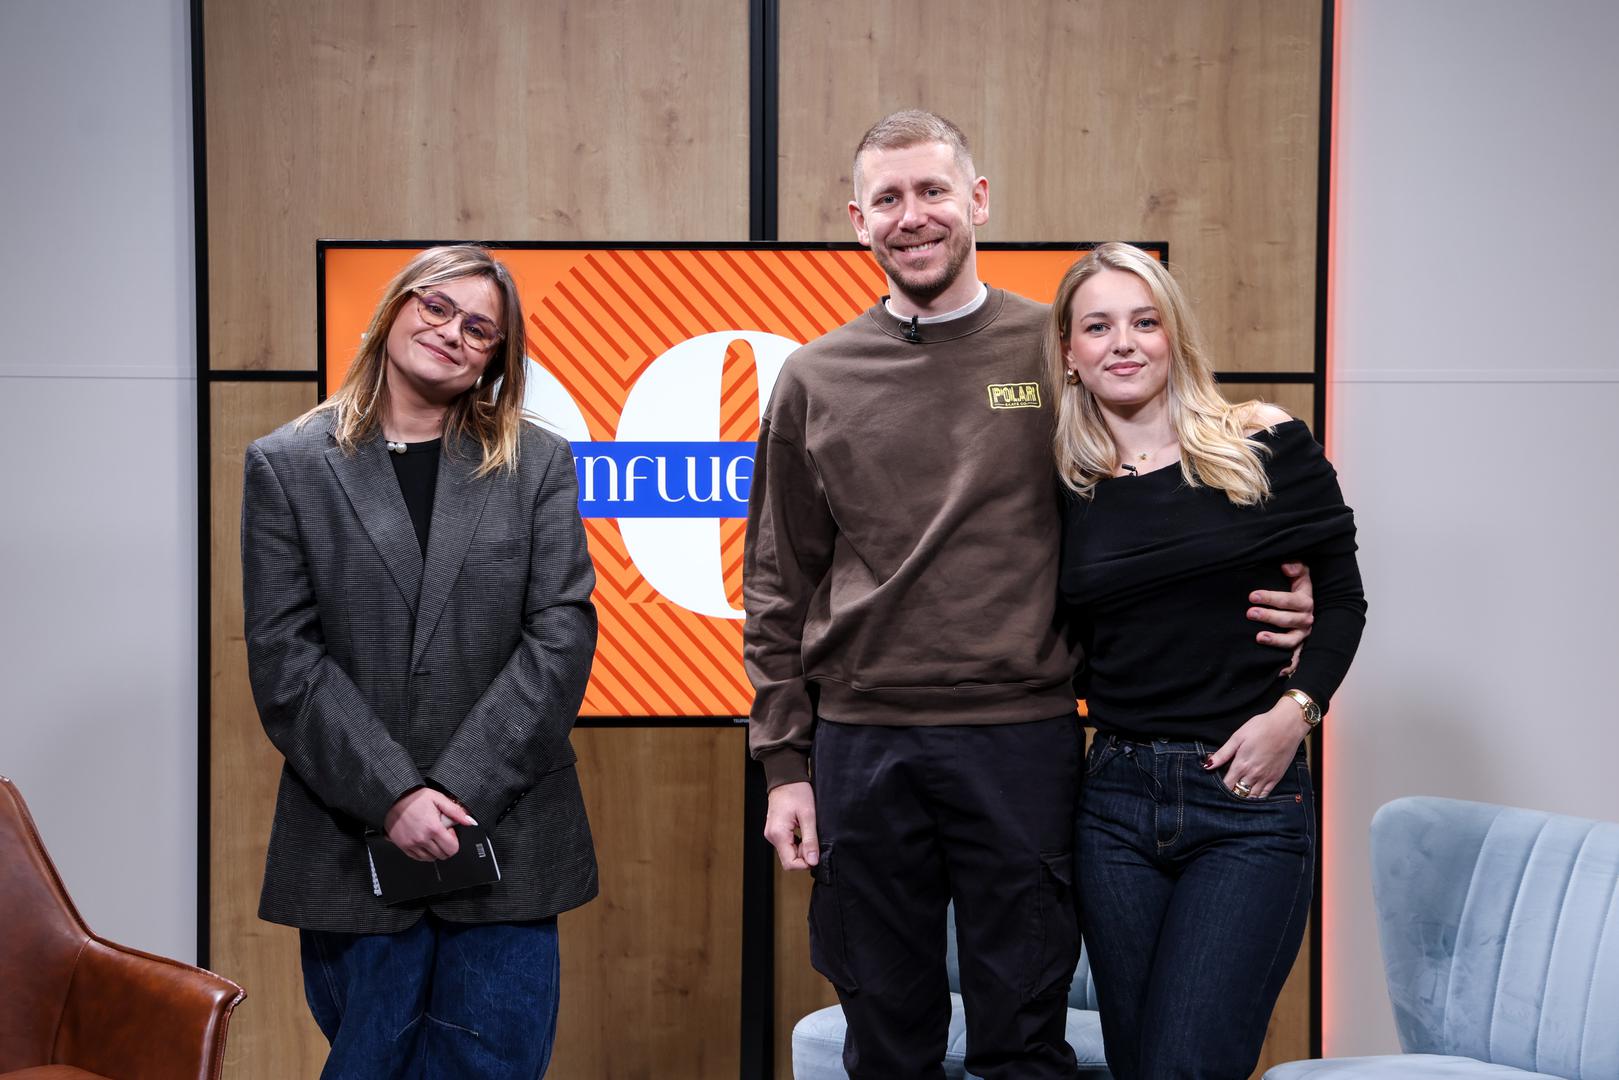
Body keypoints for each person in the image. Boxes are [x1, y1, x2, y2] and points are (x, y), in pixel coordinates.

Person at [743, 111, 1316, 1080]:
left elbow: (1166, 495)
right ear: (857, 220)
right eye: (888, 198)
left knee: (1022, 1040)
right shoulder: (813, 377)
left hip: (1022, 744)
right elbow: (777, 585)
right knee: (885, 1043)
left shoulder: (1058, 353)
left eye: (933, 191)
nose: (912, 216)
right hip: (862, 749)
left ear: (977, 200)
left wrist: (1284, 591)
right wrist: (783, 764)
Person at [241, 244, 598, 1079]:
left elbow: (560, 637)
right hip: (352, 842)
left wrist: (457, 790)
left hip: (505, 838)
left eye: (479, 329)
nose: (451, 333)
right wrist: (396, 797)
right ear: (396, 308)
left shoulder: (537, 463)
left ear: (495, 360)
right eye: (436, 307)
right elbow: (286, 659)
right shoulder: (287, 465)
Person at [1050, 242, 1366, 1079]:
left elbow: (1341, 601)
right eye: (1097, 327)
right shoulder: (1062, 483)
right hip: (1112, 800)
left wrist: (1294, 713)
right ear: (1069, 354)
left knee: (1187, 1064)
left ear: (1174, 335)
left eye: (1144, 321)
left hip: (1246, 797)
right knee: (1137, 1062)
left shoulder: (1262, 443)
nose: (1123, 342)